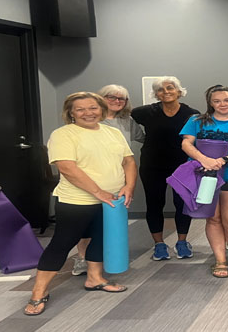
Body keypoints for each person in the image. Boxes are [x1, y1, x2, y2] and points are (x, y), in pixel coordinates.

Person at [24, 92, 136, 316]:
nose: (88, 113)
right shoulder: (64, 134)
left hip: (112, 199)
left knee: (101, 239)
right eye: (81, 109)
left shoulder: (113, 133)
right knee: (62, 244)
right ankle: (38, 293)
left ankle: (94, 279)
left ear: (101, 109)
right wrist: (98, 192)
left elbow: (129, 161)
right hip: (76, 201)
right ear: (71, 113)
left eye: (93, 107)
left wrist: (129, 187)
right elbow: (67, 167)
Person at [181, 85, 228, 277]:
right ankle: (220, 259)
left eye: (226, 100)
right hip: (204, 176)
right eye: (216, 101)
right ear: (210, 103)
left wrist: (223, 160)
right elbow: (186, 143)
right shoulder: (196, 121)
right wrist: (204, 159)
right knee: (213, 218)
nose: (222, 104)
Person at [72, 84, 145, 276]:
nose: (117, 101)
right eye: (111, 97)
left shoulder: (127, 121)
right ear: (100, 98)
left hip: (117, 179)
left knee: (110, 221)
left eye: (121, 99)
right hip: (90, 179)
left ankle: (105, 258)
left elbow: (142, 140)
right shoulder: (90, 120)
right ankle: (81, 258)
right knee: (87, 222)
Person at [132, 77, 199, 261]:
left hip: (182, 167)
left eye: (170, 88)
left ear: (179, 91)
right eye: (160, 90)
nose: (166, 92)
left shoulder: (191, 114)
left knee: (182, 204)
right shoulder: (145, 112)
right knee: (154, 204)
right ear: (155, 94)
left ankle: (182, 242)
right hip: (153, 166)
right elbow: (121, 114)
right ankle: (159, 245)